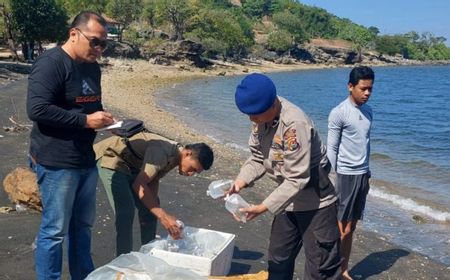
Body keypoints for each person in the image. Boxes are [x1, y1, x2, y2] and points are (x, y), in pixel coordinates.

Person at [26, 11, 113, 280]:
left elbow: (89, 105)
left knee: (82, 227)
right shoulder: (51, 63)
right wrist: (86, 121)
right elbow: (37, 109)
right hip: (56, 161)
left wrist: (107, 120)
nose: (99, 50)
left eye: (104, 44)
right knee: (54, 230)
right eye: (94, 42)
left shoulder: (92, 66)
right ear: (73, 34)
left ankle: (83, 276)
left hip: (85, 158)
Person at [229, 73, 341, 280]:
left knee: (320, 268)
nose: (251, 119)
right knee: (278, 259)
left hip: (317, 201)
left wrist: (262, 207)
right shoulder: (261, 119)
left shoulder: (294, 124)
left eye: (255, 114)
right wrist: (240, 181)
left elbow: (297, 179)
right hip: (286, 200)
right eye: (248, 114)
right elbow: (257, 157)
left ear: (272, 104)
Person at [94, 130, 214, 256]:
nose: (191, 174)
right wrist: (163, 217)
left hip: (133, 165)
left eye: (195, 172)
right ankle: (123, 260)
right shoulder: (163, 152)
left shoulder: (175, 157)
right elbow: (139, 185)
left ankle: (148, 252)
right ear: (188, 154)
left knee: (151, 210)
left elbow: (153, 179)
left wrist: (155, 209)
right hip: (113, 157)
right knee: (126, 211)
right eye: (192, 169)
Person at [327, 66, 374, 280]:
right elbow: (332, 149)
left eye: (370, 89)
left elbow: (365, 144)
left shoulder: (369, 111)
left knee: (352, 226)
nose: (367, 93)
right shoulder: (339, 112)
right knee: (341, 228)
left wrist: (367, 172)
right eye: (363, 89)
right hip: (344, 175)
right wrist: (332, 178)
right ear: (350, 87)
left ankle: (343, 269)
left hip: (362, 175)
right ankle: (331, 269)